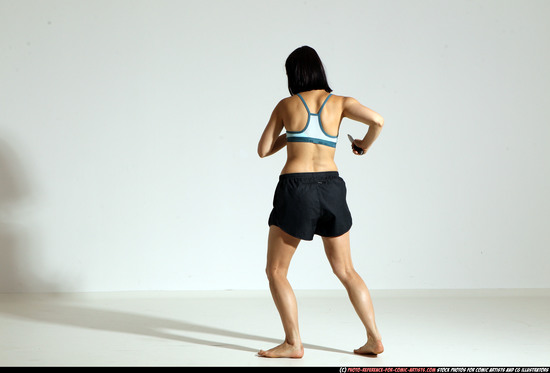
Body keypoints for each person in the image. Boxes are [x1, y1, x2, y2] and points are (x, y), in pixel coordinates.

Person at [257, 46, 385, 359]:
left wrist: (292, 133)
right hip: (331, 187)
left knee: (276, 271)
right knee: (346, 270)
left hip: (296, 188)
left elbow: (262, 150)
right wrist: (362, 146)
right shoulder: (341, 103)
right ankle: (374, 339)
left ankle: (293, 343)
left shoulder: (286, 105)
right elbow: (378, 121)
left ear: (293, 74)